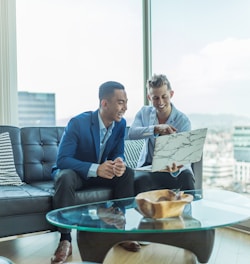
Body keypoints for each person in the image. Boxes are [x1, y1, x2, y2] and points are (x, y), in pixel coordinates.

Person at [50, 81, 135, 264]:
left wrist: (120, 162)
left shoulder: (121, 125)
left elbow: (118, 152)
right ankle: (65, 240)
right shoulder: (78, 123)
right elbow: (62, 160)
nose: (125, 107)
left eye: (126, 102)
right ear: (105, 103)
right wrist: (96, 169)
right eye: (121, 102)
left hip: (102, 175)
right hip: (77, 175)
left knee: (127, 173)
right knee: (64, 177)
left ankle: (120, 230)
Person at [128, 74, 195, 195]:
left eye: (164, 96)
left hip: (174, 169)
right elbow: (132, 133)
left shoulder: (183, 121)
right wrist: (156, 129)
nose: (160, 102)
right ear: (149, 97)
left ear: (171, 94)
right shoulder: (144, 113)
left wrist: (175, 168)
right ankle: (144, 213)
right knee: (139, 181)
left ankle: (188, 213)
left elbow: (186, 156)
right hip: (150, 168)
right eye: (155, 98)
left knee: (187, 177)